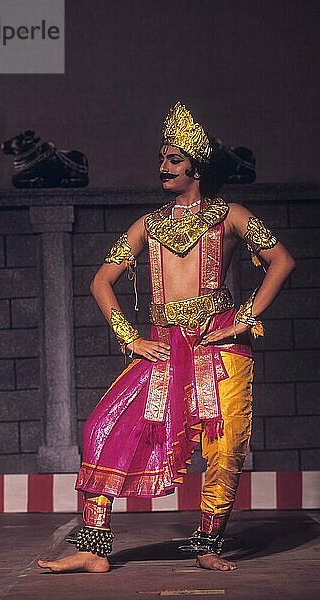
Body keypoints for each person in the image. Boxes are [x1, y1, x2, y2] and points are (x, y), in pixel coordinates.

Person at [38, 101, 296, 573]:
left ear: (196, 165)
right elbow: (100, 281)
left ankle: (207, 546)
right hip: (160, 348)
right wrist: (129, 337)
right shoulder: (149, 224)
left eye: (174, 159)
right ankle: (94, 550)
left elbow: (282, 261)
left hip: (219, 347)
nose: (163, 167)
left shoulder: (230, 215)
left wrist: (245, 316)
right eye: (162, 159)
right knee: (103, 428)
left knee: (223, 448)